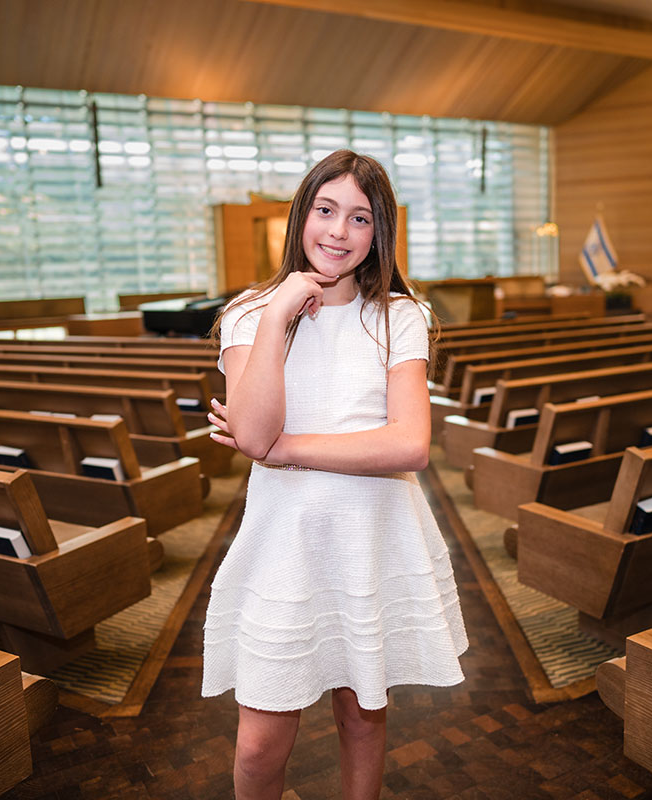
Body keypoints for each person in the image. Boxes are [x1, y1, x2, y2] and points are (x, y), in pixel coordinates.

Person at [203, 149, 468, 800]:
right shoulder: (249, 314)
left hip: (370, 537)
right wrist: (278, 314)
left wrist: (285, 449)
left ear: (380, 233)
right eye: (326, 210)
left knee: (361, 716)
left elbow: (409, 444)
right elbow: (254, 434)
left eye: (360, 218)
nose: (339, 231)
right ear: (302, 215)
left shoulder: (400, 316)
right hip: (285, 543)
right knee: (260, 746)